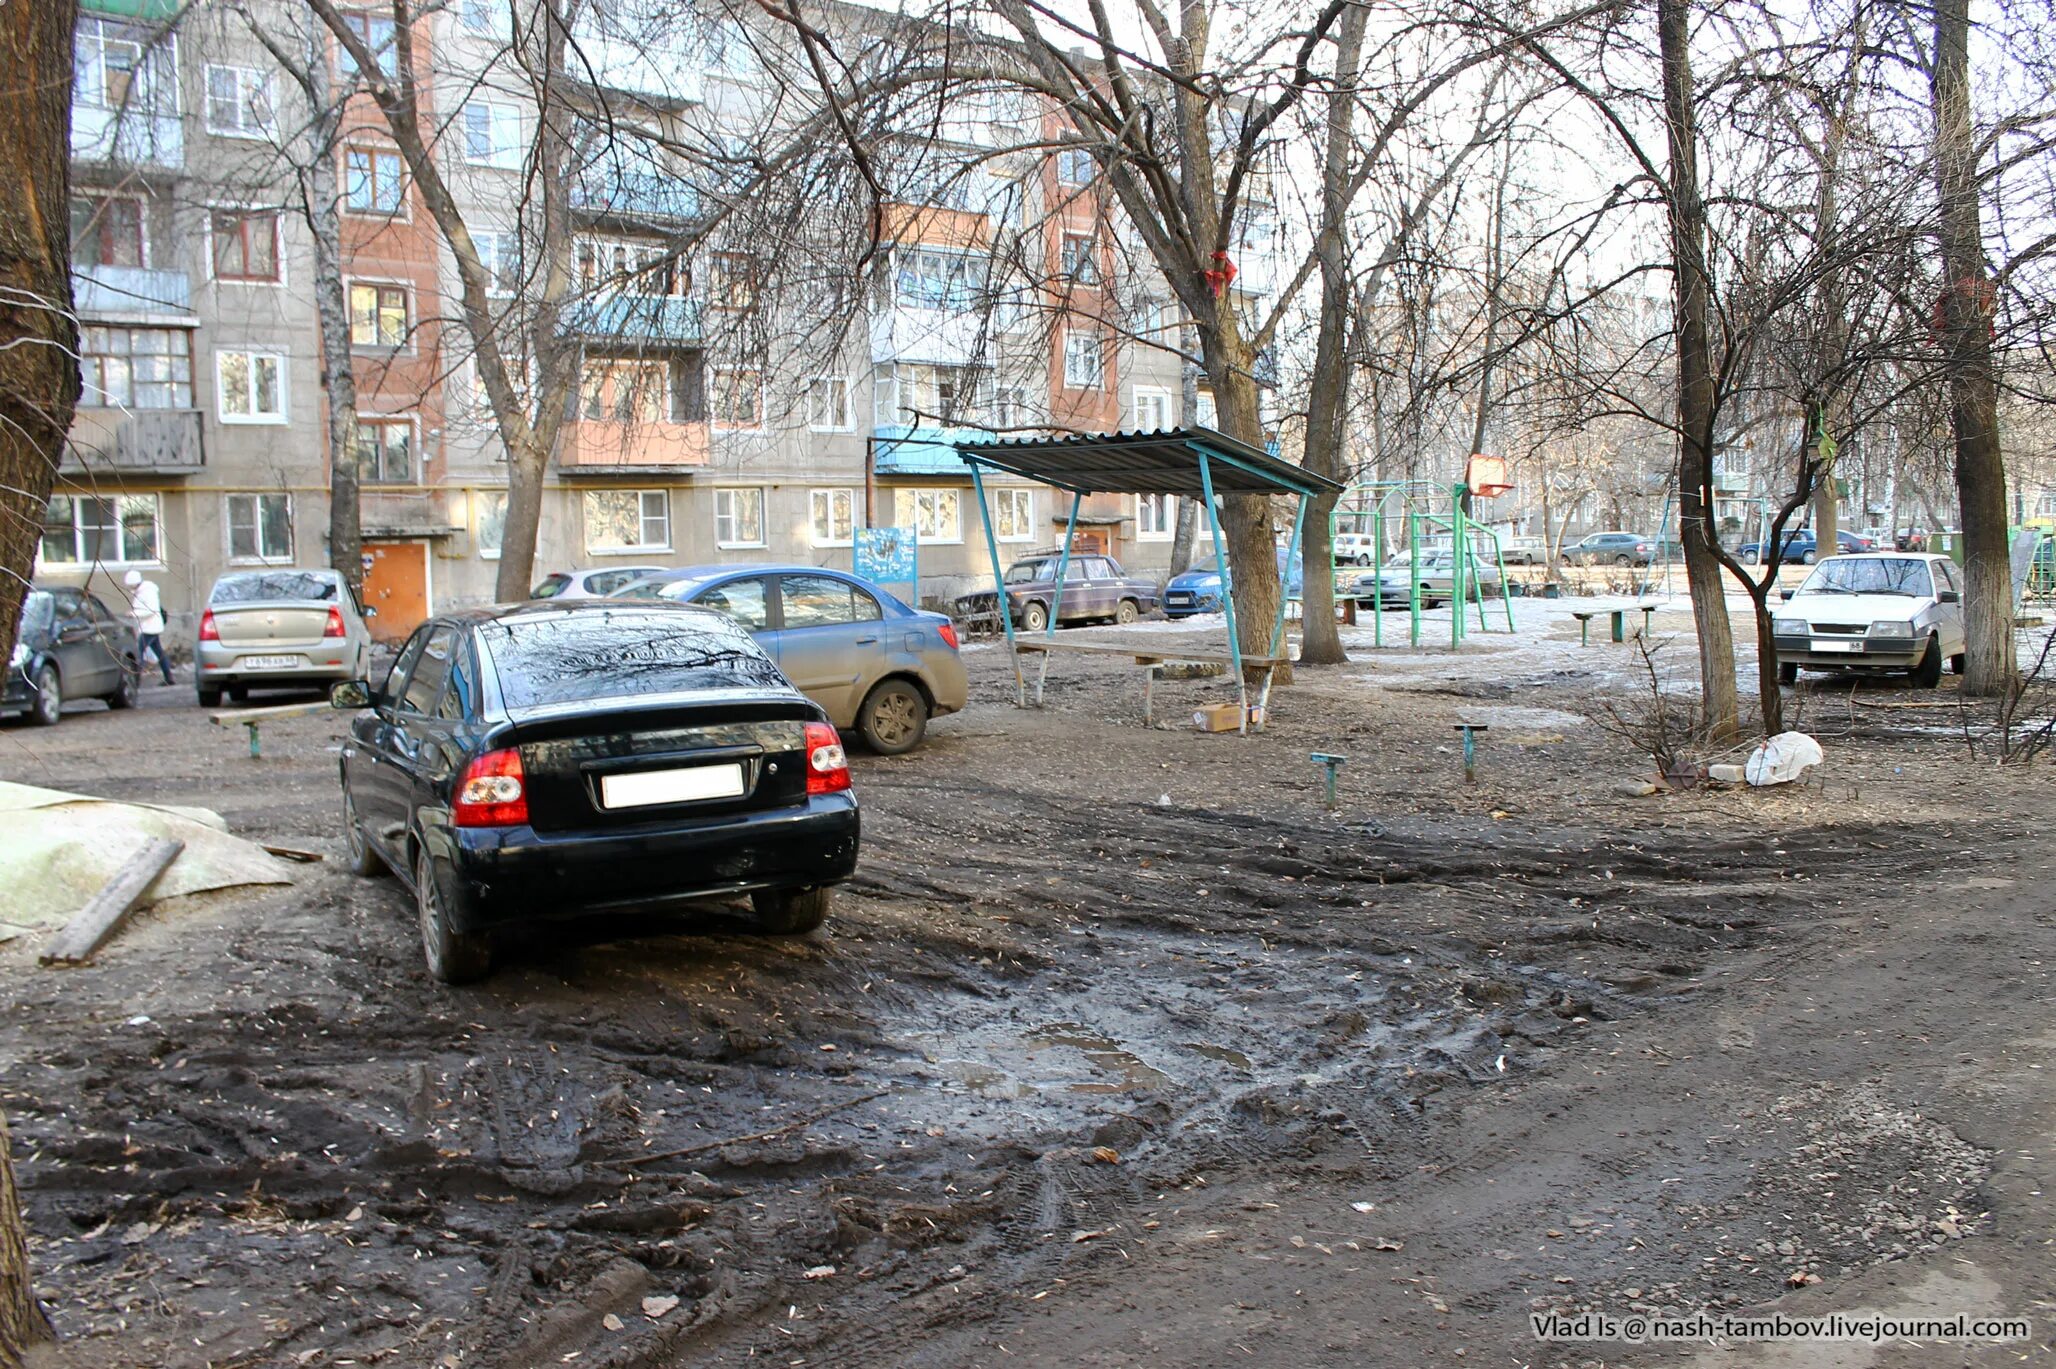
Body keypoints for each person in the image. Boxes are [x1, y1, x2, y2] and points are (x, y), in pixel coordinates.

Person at [124, 569, 174, 686]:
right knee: (159, 652)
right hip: (150, 626)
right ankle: (169, 677)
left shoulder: (146, 592)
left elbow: (150, 610)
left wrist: (133, 614)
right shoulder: (143, 591)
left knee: (139, 652)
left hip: (150, 627)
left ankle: (136, 680)